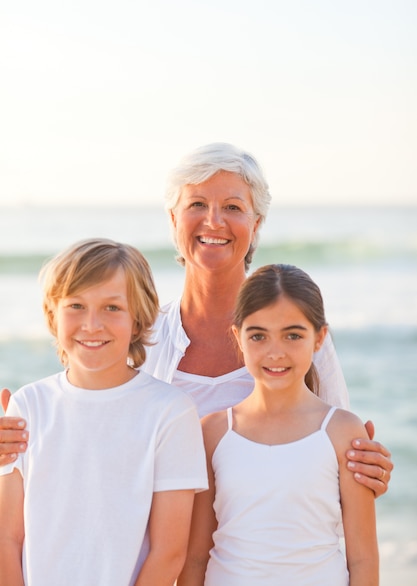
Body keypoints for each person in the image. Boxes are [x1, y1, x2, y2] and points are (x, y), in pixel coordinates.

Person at [0, 142, 393, 494]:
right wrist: (16, 443)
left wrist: (368, 469)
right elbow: (81, 441)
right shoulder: (132, 334)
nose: (214, 222)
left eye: (234, 207)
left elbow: (344, 461)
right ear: (173, 220)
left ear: (256, 225)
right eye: (197, 205)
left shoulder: (296, 341)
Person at [0, 239, 208, 586]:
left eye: (112, 308)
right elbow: (7, 537)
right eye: (76, 306)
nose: (92, 324)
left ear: (139, 321)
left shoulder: (169, 413)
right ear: (53, 314)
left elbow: (169, 552)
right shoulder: (28, 406)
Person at [178, 264, 379, 585]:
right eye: (258, 335)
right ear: (238, 337)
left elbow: (363, 559)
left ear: (319, 338)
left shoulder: (342, 432)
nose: (275, 352)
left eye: (293, 335)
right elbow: (196, 557)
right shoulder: (213, 433)